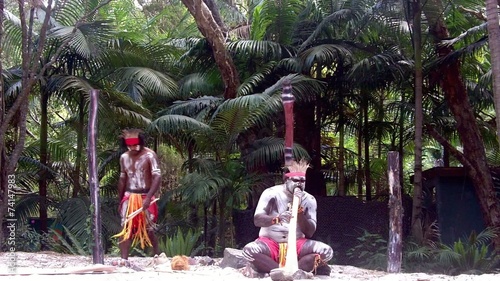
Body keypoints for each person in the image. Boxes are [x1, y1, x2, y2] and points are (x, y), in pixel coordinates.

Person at [242, 159, 333, 276]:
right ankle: (283, 271)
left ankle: (288, 271)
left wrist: (299, 210)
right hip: (270, 243)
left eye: (302, 181)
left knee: (326, 252)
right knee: (249, 251)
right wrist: (276, 219)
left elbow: (309, 232)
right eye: (295, 180)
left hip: (297, 244)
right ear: (286, 180)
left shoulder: (309, 199)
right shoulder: (271, 193)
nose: (299, 184)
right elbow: (257, 220)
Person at [112, 129, 161, 265]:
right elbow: (122, 179)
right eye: (129, 145)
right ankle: (124, 260)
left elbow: (157, 177)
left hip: (146, 195)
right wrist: (120, 200)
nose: (132, 148)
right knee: (126, 227)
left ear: (141, 142)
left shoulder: (150, 155)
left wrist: (149, 197)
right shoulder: (124, 157)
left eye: (135, 145)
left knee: (149, 229)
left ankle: (158, 255)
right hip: (130, 196)